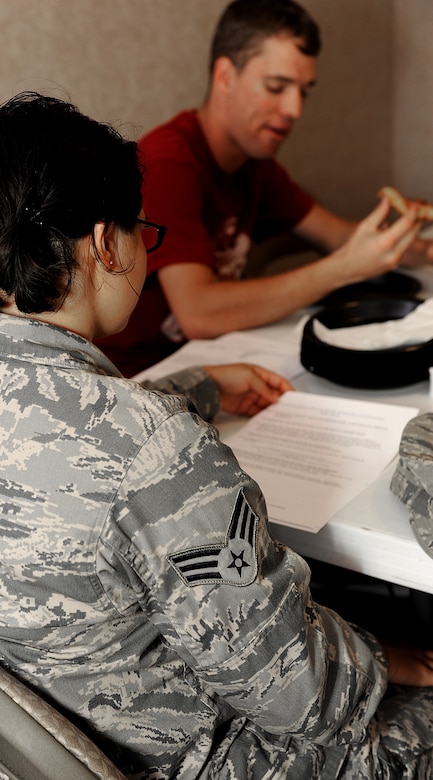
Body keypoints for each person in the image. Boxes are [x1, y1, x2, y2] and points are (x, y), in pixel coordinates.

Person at [1, 91, 433, 780]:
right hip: (217, 758)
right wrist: (384, 654)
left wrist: (197, 386)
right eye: (142, 230)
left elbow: (62, 438)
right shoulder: (155, 450)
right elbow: (304, 702)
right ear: (106, 244)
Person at [97, 0, 433, 378]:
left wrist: (426, 249)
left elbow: (338, 235)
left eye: (304, 91)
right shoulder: (168, 164)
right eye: (277, 87)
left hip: (214, 363)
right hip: (141, 378)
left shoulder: (254, 164)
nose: (295, 109)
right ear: (225, 75)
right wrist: (344, 269)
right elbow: (198, 314)